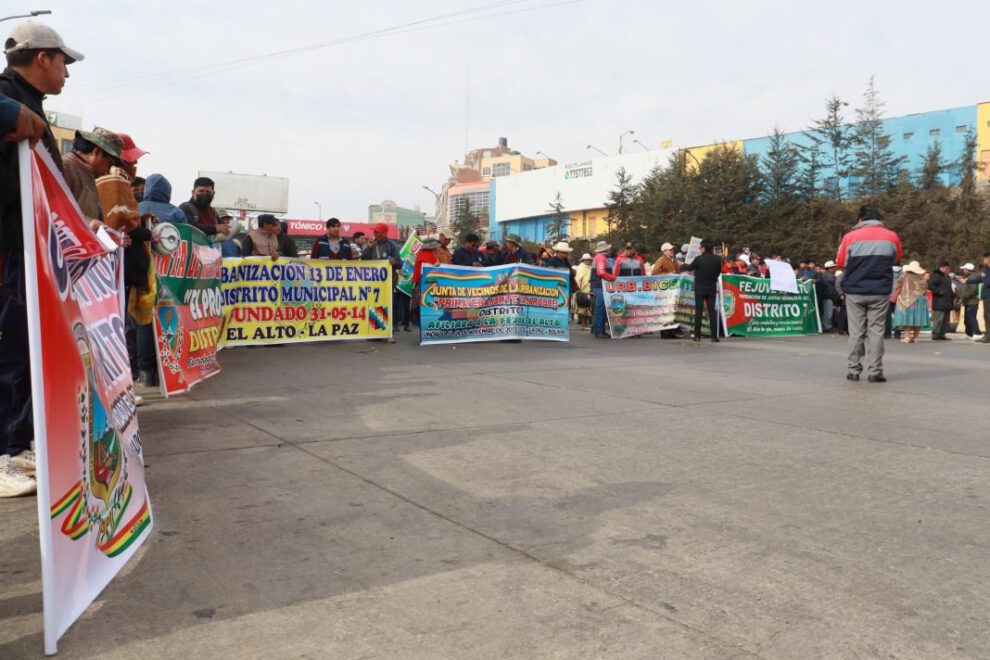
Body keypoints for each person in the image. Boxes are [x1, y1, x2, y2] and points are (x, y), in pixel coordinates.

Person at [0, 21, 85, 497]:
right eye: (64, 63)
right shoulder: (8, 98)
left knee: (25, 346)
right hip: (10, 245)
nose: (67, 74)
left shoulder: (31, 107)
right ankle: (3, 454)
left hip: (32, 247)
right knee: (10, 350)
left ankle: (18, 442)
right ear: (42, 58)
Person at [835, 205, 902, 383]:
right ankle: (875, 371)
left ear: (860, 218)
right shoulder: (891, 236)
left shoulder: (850, 237)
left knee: (856, 332)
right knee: (876, 332)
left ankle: (854, 370)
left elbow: (841, 262)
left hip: (855, 290)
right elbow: (896, 259)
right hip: (880, 290)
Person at [61, 127, 125, 221]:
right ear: (96, 152)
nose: (108, 170)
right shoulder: (65, 167)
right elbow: (56, 212)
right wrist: (90, 224)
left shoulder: (90, 174)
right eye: (109, 164)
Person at [362, 223, 402, 339]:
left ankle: (388, 332)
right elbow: (363, 260)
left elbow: (400, 264)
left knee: (387, 304)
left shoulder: (392, 246)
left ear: (383, 234)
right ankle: (375, 331)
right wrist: (368, 248)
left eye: (376, 232)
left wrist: (394, 262)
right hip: (373, 282)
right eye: (374, 232)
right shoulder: (371, 245)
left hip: (388, 282)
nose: (374, 234)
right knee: (374, 304)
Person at [681, 240, 723, 342]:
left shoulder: (699, 259)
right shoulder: (717, 259)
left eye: (700, 248)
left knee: (699, 312)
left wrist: (682, 265)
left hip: (699, 288)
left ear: (703, 248)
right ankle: (714, 336)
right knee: (712, 312)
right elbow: (718, 272)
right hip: (711, 287)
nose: (700, 249)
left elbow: (690, 267)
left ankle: (697, 335)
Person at [891, 261, 930, 344]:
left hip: (907, 299)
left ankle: (907, 337)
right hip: (920, 300)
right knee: (918, 319)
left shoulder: (904, 277)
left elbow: (898, 286)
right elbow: (925, 288)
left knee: (907, 318)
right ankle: (915, 337)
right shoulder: (922, 279)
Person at [590, 241, 616, 338]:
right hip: (600, 286)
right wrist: (612, 277)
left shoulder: (599, 257)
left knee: (601, 309)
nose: (610, 250)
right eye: (608, 248)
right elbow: (601, 272)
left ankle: (599, 329)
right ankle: (599, 330)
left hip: (600, 285)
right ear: (605, 249)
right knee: (600, 309)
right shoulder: (601, 258)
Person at [928, 261, 955, 341]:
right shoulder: (936, 276)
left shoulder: (946, 277)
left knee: (945, 320)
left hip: (947, 301)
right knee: (939, 319)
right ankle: (936, 334)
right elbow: (930, 286)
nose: (948, 270)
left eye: (948, 268)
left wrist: (952, 294)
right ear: (941, 268)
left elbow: (948, 288)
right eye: (946, 268)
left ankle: (942, 334)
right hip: (939, 301)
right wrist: (939, 291)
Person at [959, 263, 981, 338]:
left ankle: (976, 333)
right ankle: (969, 333)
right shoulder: (969, 277)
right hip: (968, 301)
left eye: (965, 269)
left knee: (971, 318)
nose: (963, 270)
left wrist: (964, 297)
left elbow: (972, 290)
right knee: (967, 318)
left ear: (968, 269)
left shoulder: (973, 277)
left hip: (972, 301)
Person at [818, 260, 839, 332]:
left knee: (826, 312)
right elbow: (835, 285)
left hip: (824, 296)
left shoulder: (824, 275)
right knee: (828, 312)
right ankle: (827, 326)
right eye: (833, 267)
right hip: (828, 296)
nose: (835, 268)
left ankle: (825, 325)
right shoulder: (830, 276)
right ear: (830, 268)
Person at [574, 253, 593, 330]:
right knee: (582, 308)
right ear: (584, 260)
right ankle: (583, 324)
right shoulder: (581, 267)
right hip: (583, 290)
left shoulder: (590, 267)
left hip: (589, 289)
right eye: (588, 259)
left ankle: (586, 324)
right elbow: (578, 278)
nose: (589, 261)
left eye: (590, 259)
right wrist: (579, 288)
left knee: (587, 308)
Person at [979, 252, 990, 344]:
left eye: (985, 259)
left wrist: (984, 277)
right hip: (986, 295)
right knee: (986, 316)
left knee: (988, 316)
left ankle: (989, 336)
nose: (983, 261)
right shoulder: (986, 269)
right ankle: (987, 334)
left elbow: (988, 282)